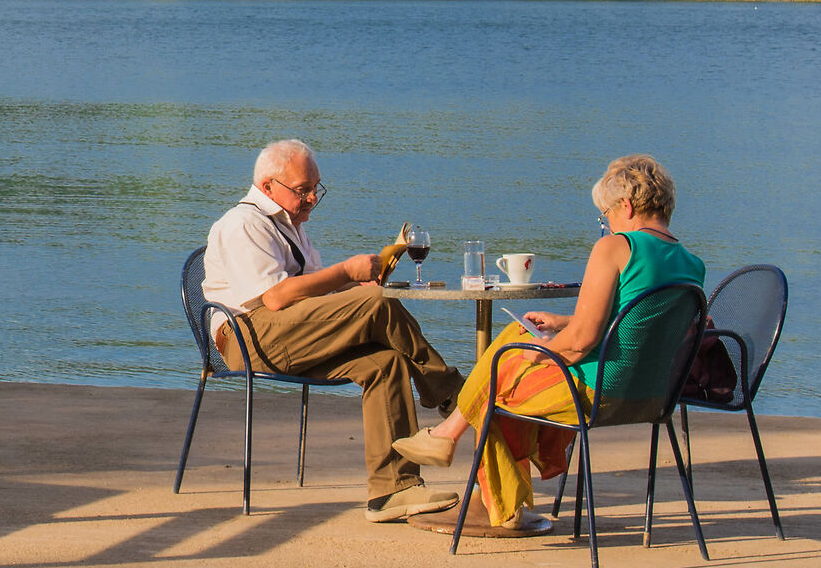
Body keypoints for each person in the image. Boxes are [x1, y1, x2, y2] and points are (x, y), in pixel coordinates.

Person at [393, 154, 706, 529]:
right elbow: (640, 324)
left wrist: (539, 351)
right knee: (517, 343)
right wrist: (562, 323)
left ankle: (491, 495)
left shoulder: (617, 247)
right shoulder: (691, 264)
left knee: (503, 370)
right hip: (651, 398)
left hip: (595, 394)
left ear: (626, 205)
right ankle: (452, 442)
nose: (606, 224)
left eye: (605, 214)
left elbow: (581, 343)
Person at [202, 139, 464, 522]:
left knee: (386, 363)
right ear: (267, 186)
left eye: (316, 188)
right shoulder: (243, 223)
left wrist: (354, 285)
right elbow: (274, 297)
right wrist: (345, 273)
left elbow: (311, 289)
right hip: (250, 339)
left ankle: (394, 490)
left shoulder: (289, 226)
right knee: (377, 304)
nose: (311, 198)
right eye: (302, 190)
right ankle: (452, 395)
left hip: (290, 336)